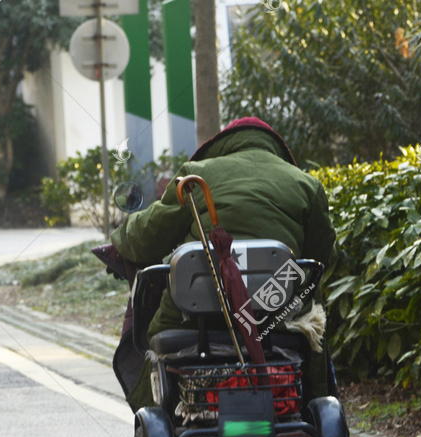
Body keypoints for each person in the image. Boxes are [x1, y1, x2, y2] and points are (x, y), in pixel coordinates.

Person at [110, 117, 336, 413]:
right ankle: (307, 411)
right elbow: (324, 257)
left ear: (221, 146)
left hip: (193, 322)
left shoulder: (197, 175)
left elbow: (145, 238)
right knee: (314, 337)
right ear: (275, 149)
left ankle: (169, 417)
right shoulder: (306, 183)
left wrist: (120, 236)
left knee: (154, 348)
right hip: (279, 319)